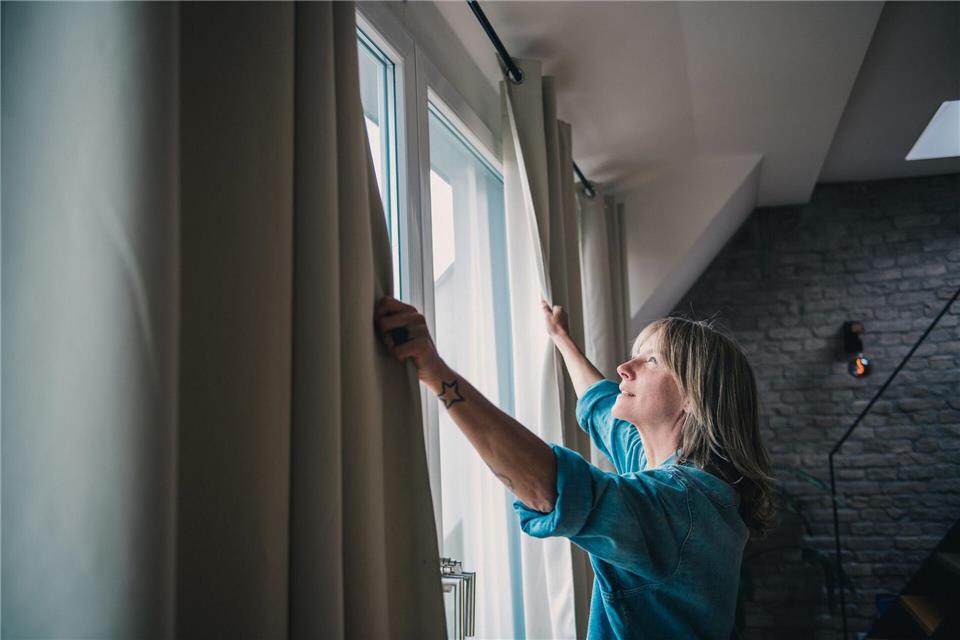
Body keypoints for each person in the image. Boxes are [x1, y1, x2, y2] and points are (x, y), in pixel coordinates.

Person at [374, 295, 774, 640]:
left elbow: (551, 487)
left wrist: (435, 370)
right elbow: (601, 407)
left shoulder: (681, 505)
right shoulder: (668, 467)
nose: (625, 367)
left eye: (651, 360)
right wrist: (560, 338)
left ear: (693, 395)